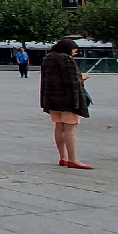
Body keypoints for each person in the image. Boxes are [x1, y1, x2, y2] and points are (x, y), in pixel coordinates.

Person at [40, 39, 91, 169]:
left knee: (58, 126)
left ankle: (63, 157)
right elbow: (72, 81)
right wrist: (82, 78)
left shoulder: (48, 58)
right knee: (70, 128)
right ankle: (73, 159)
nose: (75, 53)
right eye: (74, 50)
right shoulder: (66, 60)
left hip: (52, 99)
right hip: (67, 100)